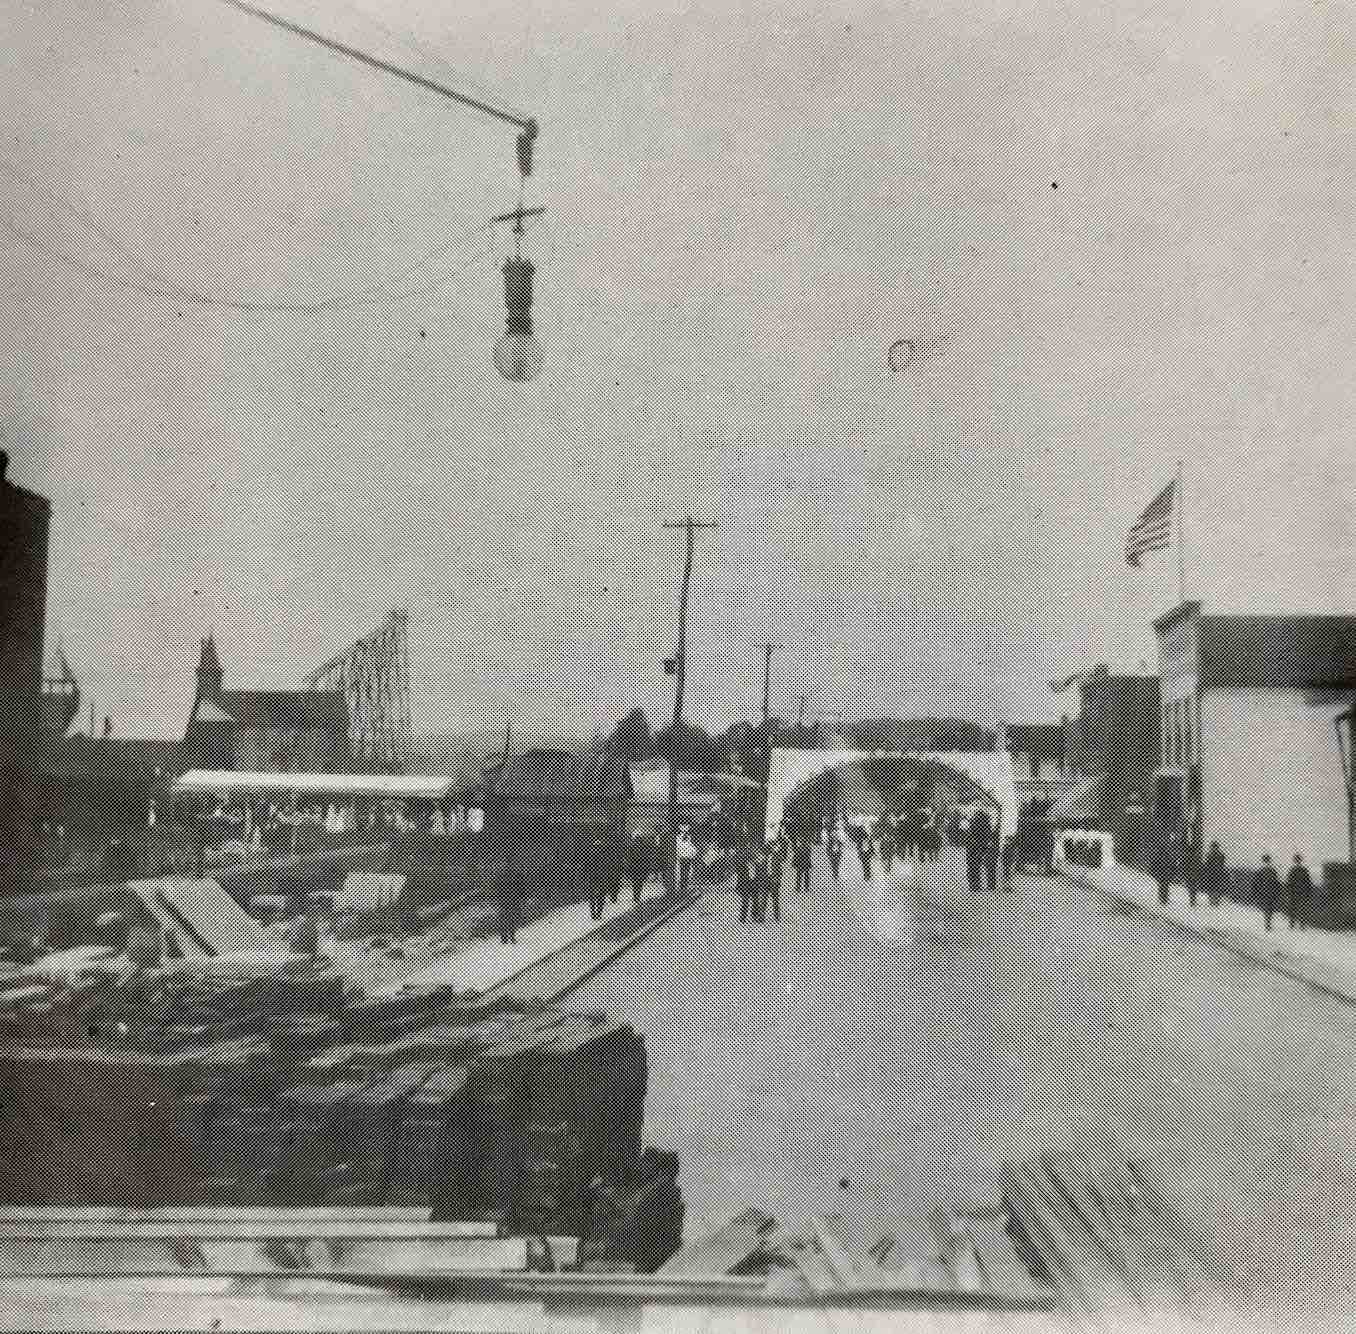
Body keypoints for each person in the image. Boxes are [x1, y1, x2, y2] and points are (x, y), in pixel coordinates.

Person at [964, 808, 993, 893]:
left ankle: (973, 885)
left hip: (972, 847)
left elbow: (967, 834)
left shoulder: (973, 822)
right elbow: (988, 836)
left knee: (971, 866)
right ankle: (976, 885)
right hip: (980, 847)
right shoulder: (986, 823)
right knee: (977, 865)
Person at [1252, 854, 1283, 931]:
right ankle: (1268, 923)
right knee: (1270, 908)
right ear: (1269, 860)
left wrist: (1255, 892)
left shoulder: (1261, 870)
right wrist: (1278, 892)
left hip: (1264, 892)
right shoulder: (1273, 870)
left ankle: (1267, 924)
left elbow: (1255, 882)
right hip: (1271, 892)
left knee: (1266, 908)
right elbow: (1277, 882)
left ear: (1263, 860)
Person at [1286, 853, 1315, 930]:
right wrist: (1309, 893)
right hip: (1302, 892)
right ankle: (1301, 924)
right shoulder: (1304, 870)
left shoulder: (1292, 870)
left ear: (1295, 861)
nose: (1297, 862)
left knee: (1293, 908)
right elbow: (1308, 883)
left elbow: (1289, 883)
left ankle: (1292, 924)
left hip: (1295, 892)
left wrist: (1288, 892)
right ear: (1300, 861)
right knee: (1302, 909)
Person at [1202, 840, 1228, 907]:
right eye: (1213, 847)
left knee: (1214, 886)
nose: (1214, 848)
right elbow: (1222, 863)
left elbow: (1207, 864)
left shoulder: (1211, 855)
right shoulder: (1219, 855)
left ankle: (1214, 901)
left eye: (1214, 847)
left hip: (1215, 873)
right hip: (1215, 873)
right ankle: (1214, 900)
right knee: (1214, 886)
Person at [674, 826, 697, 897]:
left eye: (686, 832)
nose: (685, 833)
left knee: (686, 872)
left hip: (688, 858)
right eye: (683, 831)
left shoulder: (689, 838)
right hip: (681, 858)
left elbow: (692, 847)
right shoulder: (678, 838)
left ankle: (684, 888)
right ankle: (681, 889)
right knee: (681, 873)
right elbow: (678, 847)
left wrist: (693, 854)